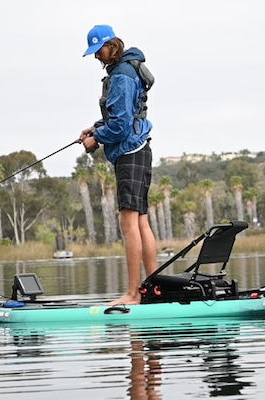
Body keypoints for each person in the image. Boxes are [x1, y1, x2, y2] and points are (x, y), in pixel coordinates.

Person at [78, 25, 157, 305]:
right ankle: (152, 291)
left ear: (112, 45)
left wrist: (96, 138)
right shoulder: (126, 69)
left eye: (99, 50)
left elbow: (121, 126)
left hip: (129, 152)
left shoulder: (122, 76)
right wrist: (96, 127)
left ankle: (134, 294)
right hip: (140, 149)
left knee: (129, 223)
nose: (97, 56)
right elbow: (123, 115)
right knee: (141, 221)